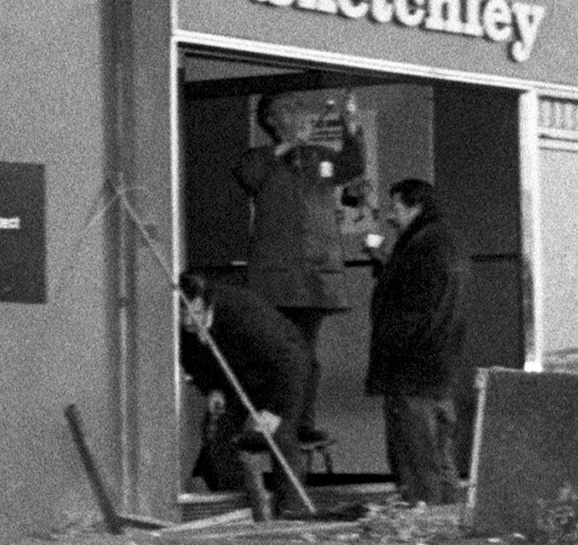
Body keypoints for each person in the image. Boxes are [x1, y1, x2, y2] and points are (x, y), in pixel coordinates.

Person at [234, 94, 362, 445]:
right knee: (275, 353)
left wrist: (351, 130)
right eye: (288, 111)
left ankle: (300, 423)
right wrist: (286, 147)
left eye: (299, 109)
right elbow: (250, 177)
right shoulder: (259, 158)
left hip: (316, 279)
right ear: (271, 121)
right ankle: (273, 422)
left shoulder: (318, 157)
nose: (300, 116)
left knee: (306, 355)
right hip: (275, 280)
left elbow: (351, 167)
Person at [368, 176, 471, 502]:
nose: (389, 215)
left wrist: (390, 349)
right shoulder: (445, 241)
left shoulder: (423, 245)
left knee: (415, 459)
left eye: (395, 206)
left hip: (412, 371)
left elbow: (412, 306)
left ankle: (424, 523)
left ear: (415, 206)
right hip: (441, 367)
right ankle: (448, 523)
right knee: (440, 458)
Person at [177, 272, 311, 506]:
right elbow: (193, 361)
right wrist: (212, 388)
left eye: (196, 312)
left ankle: (292, 508)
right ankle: (239, 504)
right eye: (183, 314)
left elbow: (291, 363)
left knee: (279, 434)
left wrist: (275, 412)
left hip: (279, 378)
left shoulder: (246, 317)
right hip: (234, 382)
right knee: (217, 433)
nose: (189, 320)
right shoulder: (182, 329)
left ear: (209, 306)